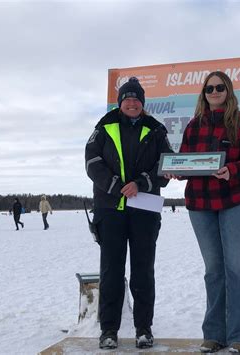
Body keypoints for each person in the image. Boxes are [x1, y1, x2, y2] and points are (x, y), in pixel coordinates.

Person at [176, 71, 240, 354]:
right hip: (200, 207)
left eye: (219, 87)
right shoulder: (194, 126)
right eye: (209, 88)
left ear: (228, 90)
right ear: (203, 93)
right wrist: (174, 170)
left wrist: (234, 170)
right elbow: (184, 162)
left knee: (236, 269)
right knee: (213, 271)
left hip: (235, 204)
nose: (214, 92)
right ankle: (214, 334)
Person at [85, 77, 173, 350]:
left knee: (143, 271)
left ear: (142, 103)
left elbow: (165, 166)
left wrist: (141, 184)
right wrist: (115, 186)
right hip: (110, 210)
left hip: (144, 211)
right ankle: (109, 330)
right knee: (111, 271)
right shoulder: (103, 127)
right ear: (120, 102)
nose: (132, 103)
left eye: (136, 99)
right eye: (127, 98)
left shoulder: (156, 130)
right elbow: (92, 162)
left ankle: (143, 329)